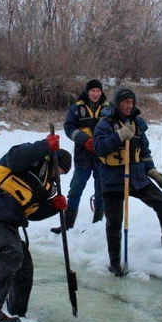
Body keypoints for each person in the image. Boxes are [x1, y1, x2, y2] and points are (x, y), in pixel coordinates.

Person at [0, 134, 72, 322]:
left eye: (62, 173)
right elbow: (15, 158)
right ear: (52, 159)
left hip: (9, 222)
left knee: (24, 265)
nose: (58, 174)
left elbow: (32, 213)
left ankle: (17, 312)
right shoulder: (31, 157)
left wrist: (52, 207)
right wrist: (44, 146)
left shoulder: (48, 187)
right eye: (59, 168)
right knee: (10, 254)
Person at [93, 87, 162, 277]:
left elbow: (144, 152)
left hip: (136, 177)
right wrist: (119, 136)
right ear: (117, 103)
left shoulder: (137, 124)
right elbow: (100, 148)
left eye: (131, 102)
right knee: (114, 222)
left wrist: (152, 171)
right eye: (125, 102)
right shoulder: (105, 124)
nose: (129, 106)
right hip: (113, 179)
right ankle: (115, 263)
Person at [51, 78, 109, 234]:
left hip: (102, 157)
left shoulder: (108, 109)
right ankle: (67, 225)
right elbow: (69, 128)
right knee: (75, 190)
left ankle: (96, 227)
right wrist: (85, 140)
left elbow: (114, 128)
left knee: (101, 191)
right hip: (83, 157)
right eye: (92, 91)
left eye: (98, 91)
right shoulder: (76, 108)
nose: (95, 94)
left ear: (101, 92)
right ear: (87, 92)